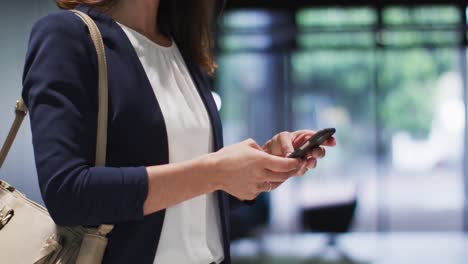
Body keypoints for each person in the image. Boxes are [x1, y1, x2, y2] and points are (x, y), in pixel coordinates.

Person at [21, 0, 336, 263]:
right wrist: (215, 171)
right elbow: (67, 193)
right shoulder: (68, 35)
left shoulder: (183, 50)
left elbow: (187, 201)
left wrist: (258, 165)